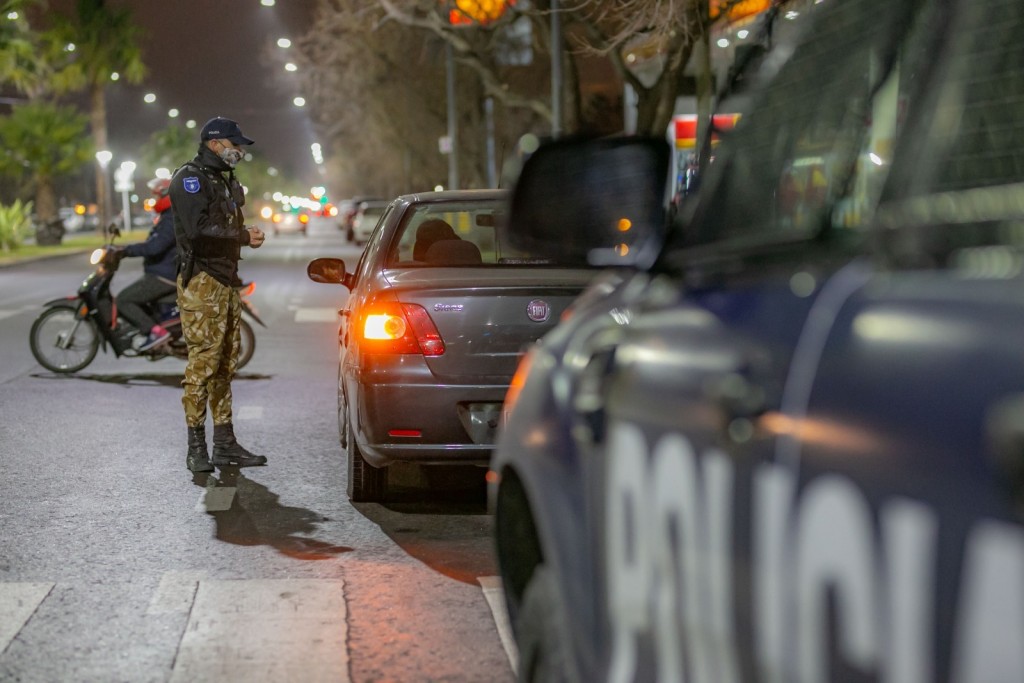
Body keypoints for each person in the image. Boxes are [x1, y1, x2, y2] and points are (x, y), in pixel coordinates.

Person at [169, 116, 267, 473]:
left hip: (226, 281)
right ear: (215, 144)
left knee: (226, 361)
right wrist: (242, 238)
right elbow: (196, 231)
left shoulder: (221, 179)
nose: (238, 151)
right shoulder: (190, 179)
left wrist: (243, 234)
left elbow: (225, 224)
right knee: (203, 363)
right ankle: (196, 446)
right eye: (234, 144)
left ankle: (225, 443)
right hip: (202, 281)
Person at [114, 177, 177, 351]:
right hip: (164, 271)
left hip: (165, 275)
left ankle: (154, 331)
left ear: (165, 195)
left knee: (123, 300)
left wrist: (126, 251)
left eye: (156, 196)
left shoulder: (171, 218)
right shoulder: (168, 215)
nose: (154, 201)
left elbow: (154, 247)